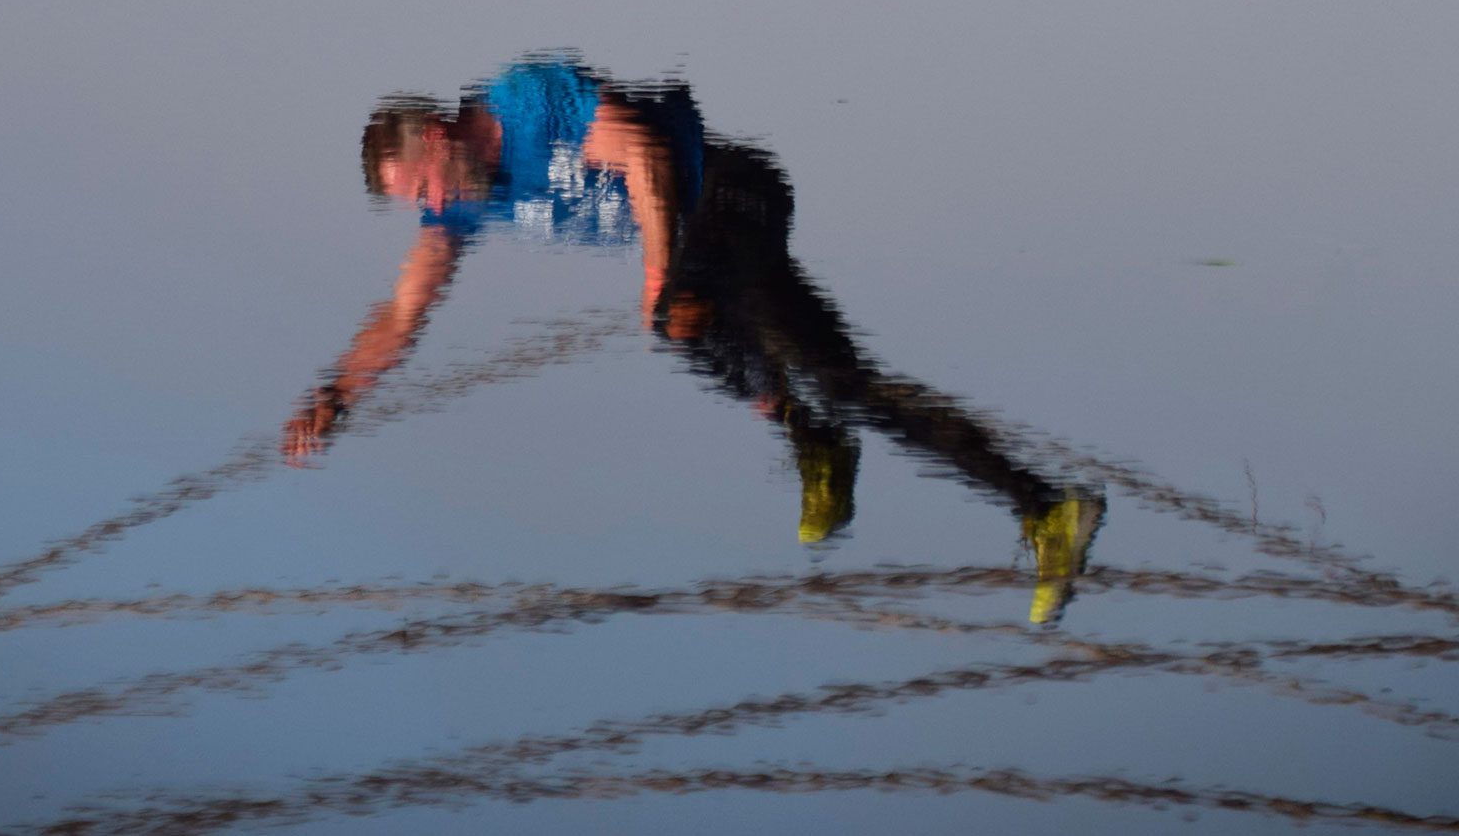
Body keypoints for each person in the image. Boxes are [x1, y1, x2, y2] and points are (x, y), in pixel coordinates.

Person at [281, 55, 1104, 625]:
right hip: (691, 249)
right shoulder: (458, 205)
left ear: (433, 136)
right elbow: (399, 315)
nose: (428, 204)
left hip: (728, 196)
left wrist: (658, 272)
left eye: (420, 185)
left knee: (825, 370)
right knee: (689, 331)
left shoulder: (522, 101)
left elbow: (643, 157)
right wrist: (335, 395)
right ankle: (816, 440)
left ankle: (1046, 506)